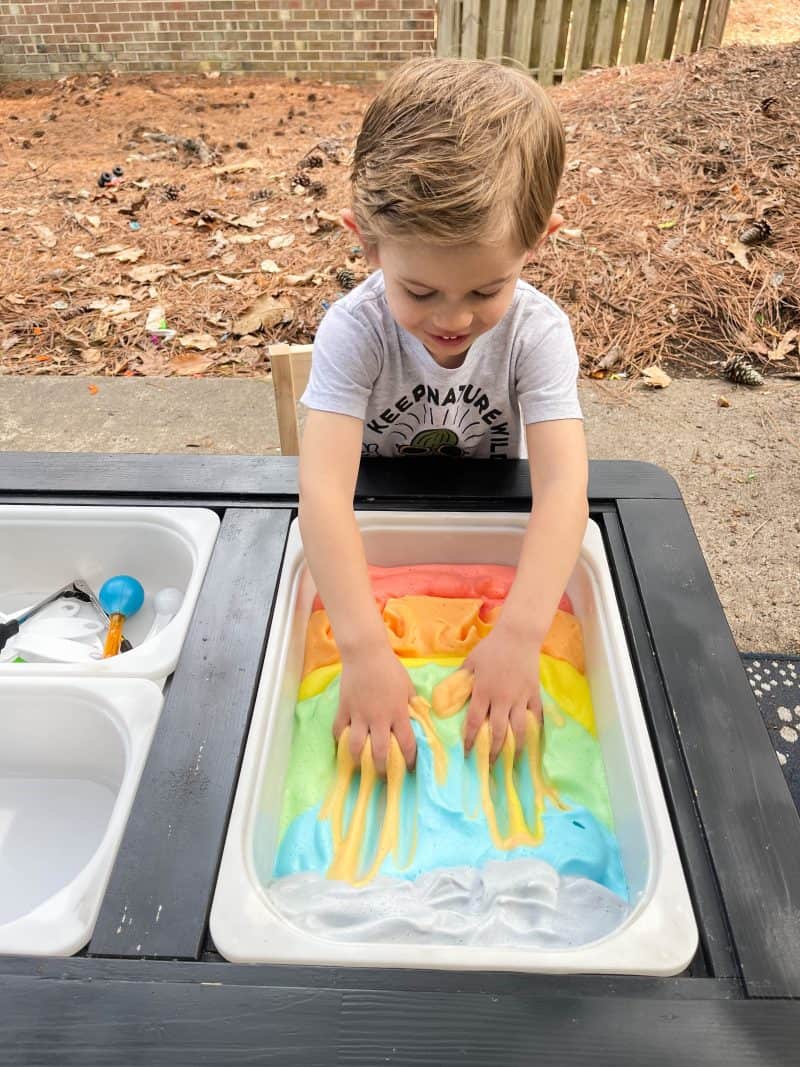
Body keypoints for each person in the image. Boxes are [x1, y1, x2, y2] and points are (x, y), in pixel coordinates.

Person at [298, 57, 588, 777]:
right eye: (420, 290)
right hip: (380, 528)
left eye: (487, 288)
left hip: (486, 528)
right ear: (365, 242)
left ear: (538, 241)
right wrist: (364, 651)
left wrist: (522, 636)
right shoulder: (354, 331)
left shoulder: (538, 334)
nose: (453, 318)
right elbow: (324, 494)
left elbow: (562, 492)